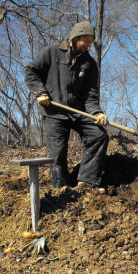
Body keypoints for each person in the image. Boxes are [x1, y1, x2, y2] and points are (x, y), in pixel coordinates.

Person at [24, 21, 108, 189]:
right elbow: (31, 72)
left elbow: (90, 95)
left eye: (91, 42)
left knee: (99, 135)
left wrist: (97, 113)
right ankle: (62, 189)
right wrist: (40, 92)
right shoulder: (52, 52)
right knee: (57, 153)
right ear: (75, 37)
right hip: (54, 112)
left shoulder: (89, 64)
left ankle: (86, 181)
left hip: (78, 112)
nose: (88, 45)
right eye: (86, 40)